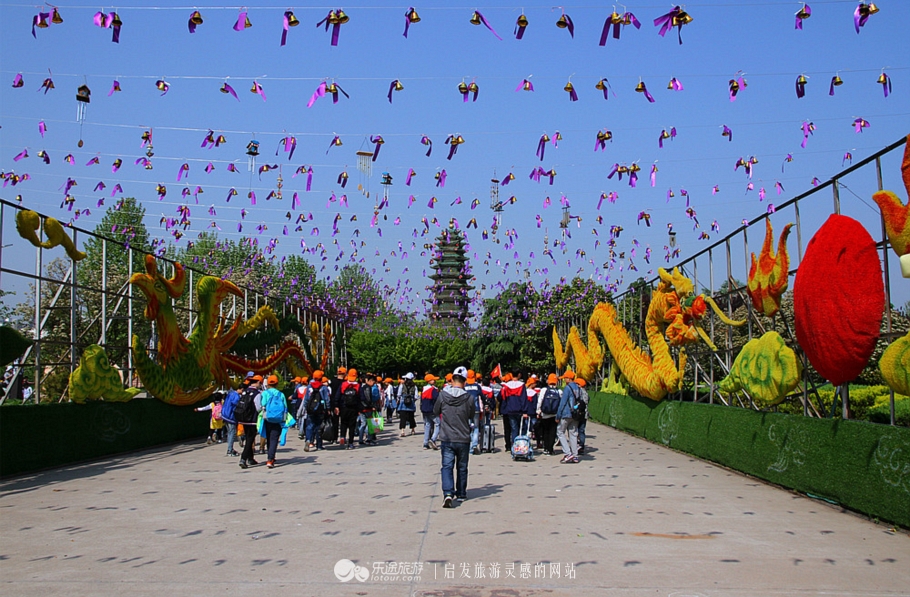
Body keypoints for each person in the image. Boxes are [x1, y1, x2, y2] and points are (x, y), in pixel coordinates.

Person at [434, 366, 475, 508]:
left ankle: (448, 493)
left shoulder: (442, 396)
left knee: (447, 466)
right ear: (465, 382)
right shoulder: (469, 398)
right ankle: (462, 492)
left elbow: (435, 410)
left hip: (447, 437)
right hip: (463, 437)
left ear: (452, 380)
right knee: (462, 467)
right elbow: (471, 415)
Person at [259, 374, 287, 468]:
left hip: (267, 418)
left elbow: (262, 405)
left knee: (268, 437)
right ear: (277, 383)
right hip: (278, 419)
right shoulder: (281, 394)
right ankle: (270, 459)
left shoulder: (265, 393)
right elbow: (285, 407)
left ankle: (270, 456)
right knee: (274, 438)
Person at [499, 370, 531, 452]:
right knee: (521, 428)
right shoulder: (522, 385)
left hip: (510, 410)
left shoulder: (507, 386)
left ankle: (514, 447)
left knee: (514, 429)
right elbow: (523, 399)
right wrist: (525, 411)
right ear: (519, 375)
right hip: (519, 410)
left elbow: (504, 398)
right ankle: (521, 446)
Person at [300, 370, 330, 452]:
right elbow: (326, 399)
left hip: (310, 410)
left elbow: (306, 399)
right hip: (320, 410)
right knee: (319, 427)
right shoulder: (323, 388)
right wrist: (328, 408)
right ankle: (319, 445)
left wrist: (306, 408)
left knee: (310, 425)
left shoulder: (309, 387)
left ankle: (308, 440)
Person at [237, 375, 263, 468]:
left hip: (244, 418)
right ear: (259, 382)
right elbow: (258, 407)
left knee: (248, 437)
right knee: (250, 439)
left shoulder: (245, 391)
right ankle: (243, 458)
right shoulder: (257, 393)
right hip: (252, 419)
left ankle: (250, 458)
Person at [555, 371, 581, 464]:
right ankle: (575, 456)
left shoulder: (567, 388)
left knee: (560, 432)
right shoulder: (578, 387)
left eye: (565, 378)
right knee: (573, 434)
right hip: (575, 414)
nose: (564, 380)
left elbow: (562, 403)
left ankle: (567, 453)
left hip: (566, 414)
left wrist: (558, 415)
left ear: (569, 379)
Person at [536, 374, 561, 455]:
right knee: (553, 432)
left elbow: (540, 400)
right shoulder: (559, 391)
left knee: (545, 431)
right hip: (554, 415)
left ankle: (546, 448)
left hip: (545, 414)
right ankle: (551, 449)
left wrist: (538, 410)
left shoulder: (544, 390)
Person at [337, 368, 361, 449]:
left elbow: (338, 396)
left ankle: (342, 437)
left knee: (343, 423)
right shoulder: (357, 385)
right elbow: (360, 398)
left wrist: (337, 406)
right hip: (353, 408)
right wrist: (359, 409)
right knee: (352, 426)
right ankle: (350, 443)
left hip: (344, 407)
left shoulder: (343, 384)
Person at [463, 370, 484, 455]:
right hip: (476, 409)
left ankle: (469, 448)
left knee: (468, 428)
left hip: (466, 409)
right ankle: (474, 445)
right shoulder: (477, 386)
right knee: (476, 427)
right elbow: (482, 396)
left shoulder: (464, 386)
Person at [420, 374, 441, 450]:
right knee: (438, 424)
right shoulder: (433, 389)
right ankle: (433, 439)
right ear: (429, 381)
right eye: (433, 380)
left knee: (427, 425)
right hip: (432, 410)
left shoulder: (423, 389)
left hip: (424, 410)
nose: (435, 381)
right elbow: (437, 399)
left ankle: (425, 443)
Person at [221, 384, 241, 456]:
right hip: (230, 416)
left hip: (224, 414)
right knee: (232, 433)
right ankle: (230, 450)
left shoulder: (230, 393)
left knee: (229, 433)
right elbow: (237, 404)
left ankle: (230, 448)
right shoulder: (236, 396)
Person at [329, 366, 346, 444]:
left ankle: (334, 438)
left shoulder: (332, 381)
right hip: (343, 403)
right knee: (343, 421)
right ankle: (342, 437)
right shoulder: (345, 383)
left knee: (334, 421)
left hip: (333, 403)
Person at [576, 378, 590, 454]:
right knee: (582, 431)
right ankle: (581, 446)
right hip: (585, 414)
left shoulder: (579, 392)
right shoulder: (586, 393)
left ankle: (578, 445)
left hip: (579, 414)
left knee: (576, 430)